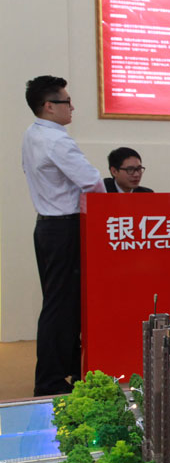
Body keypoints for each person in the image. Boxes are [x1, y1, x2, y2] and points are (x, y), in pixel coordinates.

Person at [22, 75, 106, 396]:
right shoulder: (57, 140)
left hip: (46, 227)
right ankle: (50, 381)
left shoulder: (32, 134)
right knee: (61, 306)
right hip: (65, 227)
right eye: (66, 102)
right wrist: (105, 211)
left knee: (59, 303)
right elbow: (91, 181)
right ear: (49, 106)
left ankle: (68, 369)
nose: (72, 107)